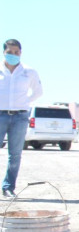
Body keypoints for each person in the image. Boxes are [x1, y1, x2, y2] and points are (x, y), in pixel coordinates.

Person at [0, 39, 43, 197]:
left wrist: (25, 102)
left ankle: (8, 187)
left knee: (15, 154)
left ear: (21, 53)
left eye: (16, 52)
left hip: (20, 117)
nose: (13, 55)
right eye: (10, 52)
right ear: (4, 52)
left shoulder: (28, 72)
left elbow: (38, 92)